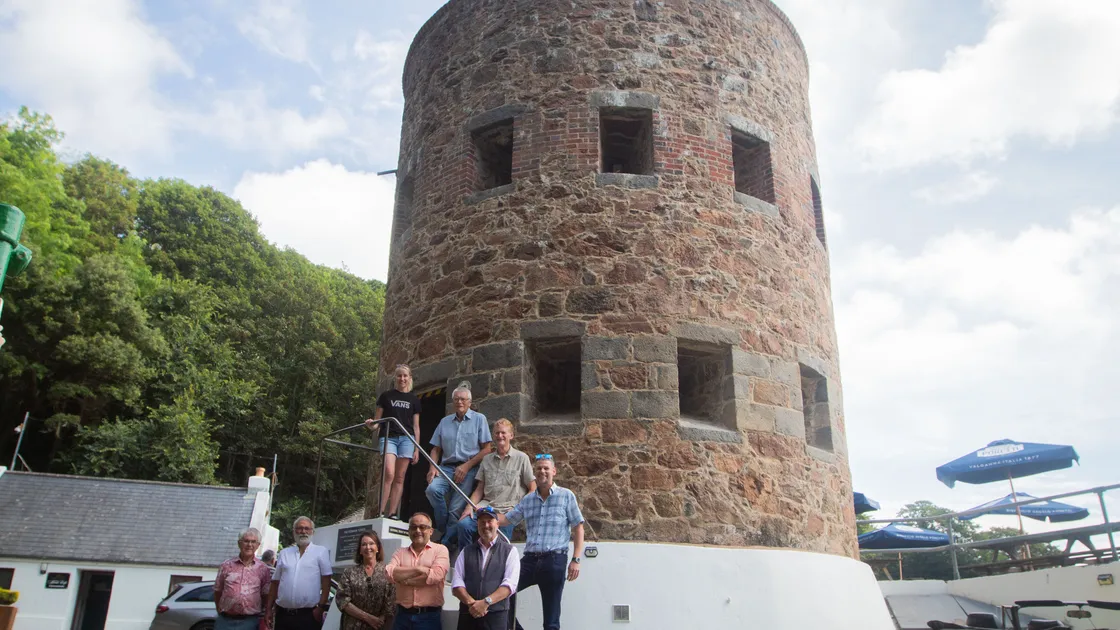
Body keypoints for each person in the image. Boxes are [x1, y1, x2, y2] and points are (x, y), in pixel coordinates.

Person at [498, 454, 585, 630]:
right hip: (530, 560)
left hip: (554, 560)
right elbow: (506, 520)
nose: (542, 471)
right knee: (501, 593)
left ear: (554, 471)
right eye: (539, 468)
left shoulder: (566, 496)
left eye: (546, 468)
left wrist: (576, 559)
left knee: (551, 620)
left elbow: (578, 527)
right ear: (534, 473)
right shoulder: (528, 499)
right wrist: (483, 513)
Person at [425, 382, 491, 546]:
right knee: (432, 490)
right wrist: (432, 467)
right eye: (456, 399)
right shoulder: (444, 422)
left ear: (469, 402)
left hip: (469, 468)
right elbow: (436, 449)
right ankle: (443, 530)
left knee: (455, 509)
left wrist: (467, 466)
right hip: (446, 468)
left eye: (463, 399)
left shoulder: (479, 419)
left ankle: (445, 544)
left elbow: (487, 449)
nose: (459, 402)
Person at [457, 418, 535, 550]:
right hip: (485, 508)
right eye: (497, 433)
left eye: (503, 433)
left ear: (511, 435)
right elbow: (479, 489)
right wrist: (469, 506)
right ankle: (467, 558)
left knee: (499, 545)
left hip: (507, 511)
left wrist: (517, 510)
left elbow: (533, 489)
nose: (500, 436)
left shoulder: (522, 458)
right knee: (463, 525)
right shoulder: (486, 459)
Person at [365, 364, 422, 520]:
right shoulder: (386, 396)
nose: (402, 378)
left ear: (409, 378)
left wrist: (417, 448)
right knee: (389, 473)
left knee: (400, 477)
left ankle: (392, 513)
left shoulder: (414, 399)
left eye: (405, 376)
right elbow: (377, 422)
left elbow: (416, 426)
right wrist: (371, 425)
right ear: (395, 378)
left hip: (407, 439)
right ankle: (380, 511)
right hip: (388, 437)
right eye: (399, 375)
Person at [451, 506, 520, 630]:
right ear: (477, 525)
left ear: (497, 524)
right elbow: (457, 583)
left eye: (489, 521)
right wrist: (472, 603)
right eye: (482, 522)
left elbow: (510, 585)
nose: (486, 525)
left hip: (496, 617)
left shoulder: (510, 551)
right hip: (468, 614)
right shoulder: (466, 551)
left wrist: (486, 602)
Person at [265, 517, 334, 630]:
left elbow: (327, 582)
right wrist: (268, 609)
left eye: (307, 528)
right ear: (294, 531)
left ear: (312, 532)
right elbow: (275, 582)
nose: (303, 531)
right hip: (283, 615)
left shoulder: (321, 552)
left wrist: (320, 608)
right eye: (300, 528)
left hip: (308, 616)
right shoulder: (284, 553)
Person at [386, 512, 450, 630]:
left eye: (422, 527)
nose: (418, 530)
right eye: (413, 527)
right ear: (409, 531)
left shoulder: (440, 550)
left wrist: (404, 580)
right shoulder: (400, 552)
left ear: (431, 531)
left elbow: (436, 575)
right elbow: (389, 573)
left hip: (429, 618)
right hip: (402, 617)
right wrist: (418, 569)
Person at [213, 528, 272, 630]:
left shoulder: (263, 569)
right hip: (225, 620)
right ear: (239, 543)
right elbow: (218, 591)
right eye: (246, 541)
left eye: (253, 542)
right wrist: (220, 610)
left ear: (258, 545)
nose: (249, 545)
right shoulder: (226, 566)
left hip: (250, 621)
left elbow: (265, 595)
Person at [336, 530, 396, 630]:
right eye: (364, 544)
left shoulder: (387, 572)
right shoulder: (349, 573)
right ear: (360, 550)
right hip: (353, 626)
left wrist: (380, 620)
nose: (368, 547)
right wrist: (368, 618)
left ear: (378, 548)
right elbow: (342, 600)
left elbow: (391, 603)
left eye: (371, 543)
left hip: (378, 626)